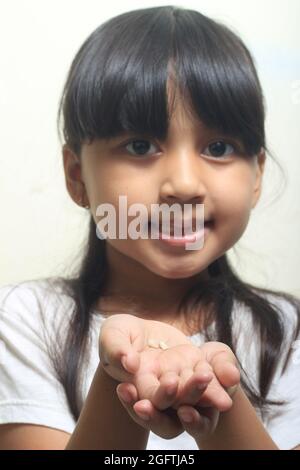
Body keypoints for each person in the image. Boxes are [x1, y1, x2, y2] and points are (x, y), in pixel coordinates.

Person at [0, 5, 299, 450]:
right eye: (141, 145)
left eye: (218, 147)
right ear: (77, 176)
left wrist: (222, 395)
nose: (183, 184)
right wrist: (119, 375)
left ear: (256, 176)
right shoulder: (27, 320)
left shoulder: (285, 331)